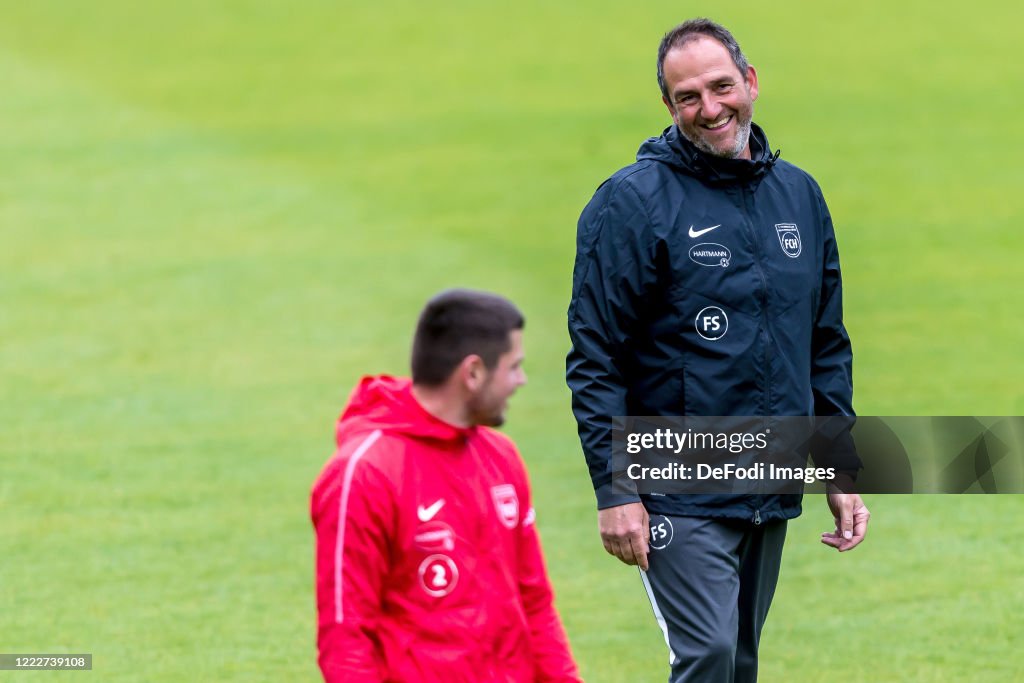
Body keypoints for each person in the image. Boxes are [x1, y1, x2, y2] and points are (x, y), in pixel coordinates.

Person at [566, 18, 870, 682]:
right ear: (669, 107)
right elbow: (597, 356)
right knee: (707, 654)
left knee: (739, 662)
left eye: (721, 86)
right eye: (688, 97)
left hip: (770, 471)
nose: (710, 109)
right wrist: (614, 489)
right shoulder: (631, 205)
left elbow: (825, 344)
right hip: (673, 481)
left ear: (751, 82)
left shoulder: (800, 197)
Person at [312, 289, 582, 683]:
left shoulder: (501, 458)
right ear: (472, 373)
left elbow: (534, 602)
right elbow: (346, 633)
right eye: (513, 367)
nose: (521, 380)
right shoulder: (363, 475)